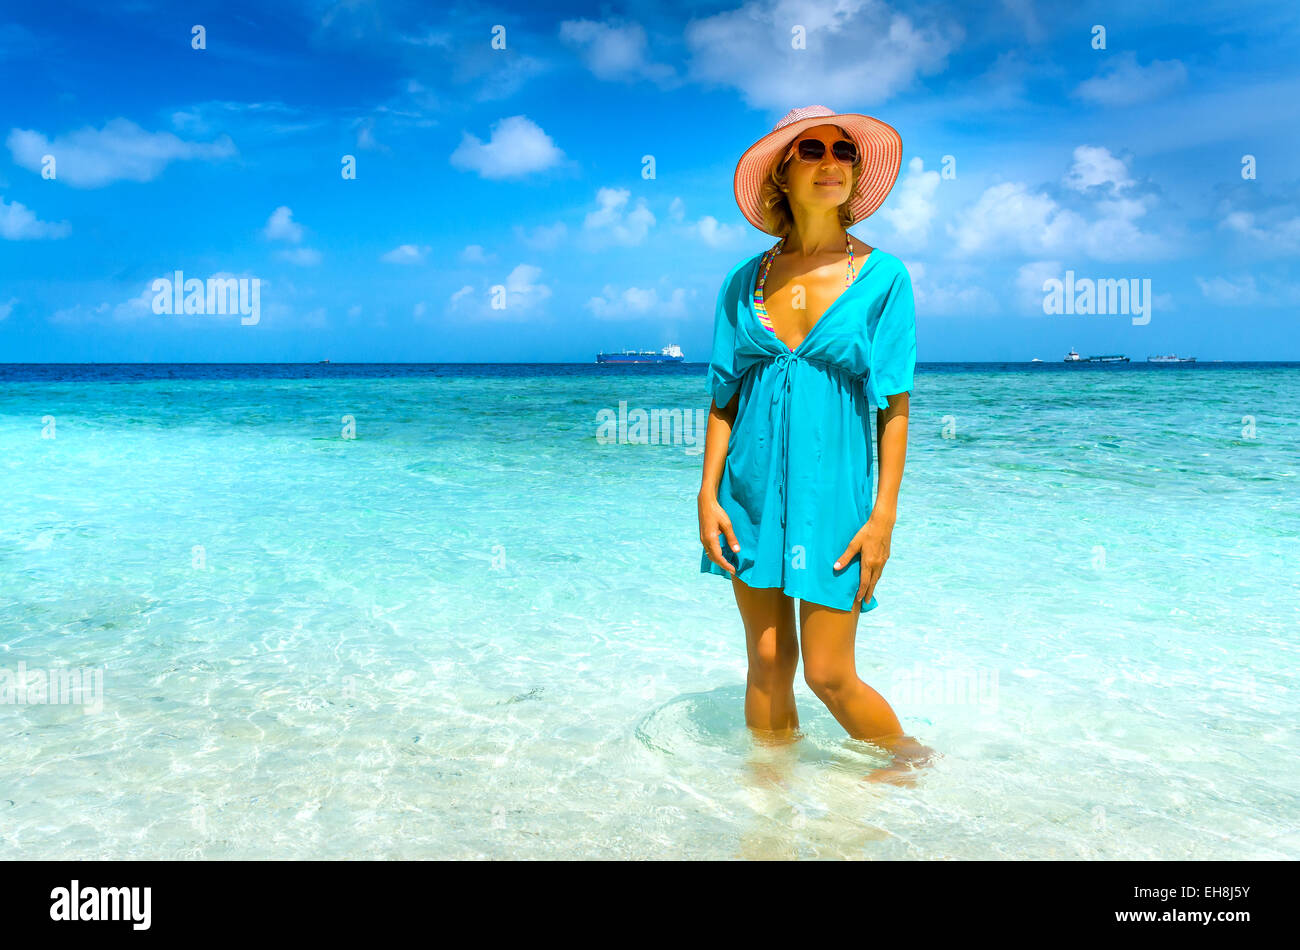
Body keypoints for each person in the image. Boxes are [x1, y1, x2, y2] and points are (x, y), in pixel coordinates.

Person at [696, 105, 935, 783]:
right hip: (746, 495)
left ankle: (913, 769)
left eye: (845, 151)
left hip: (836, 499)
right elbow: (723, 397)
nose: (833, 161)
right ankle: (768, 815)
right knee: (768, 663)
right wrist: (706, 496)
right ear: (782, 170)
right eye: (813, 149)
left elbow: (894, 406)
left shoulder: (884, 277)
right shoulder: (745, 282)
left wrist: (883, 515)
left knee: (830, 672)